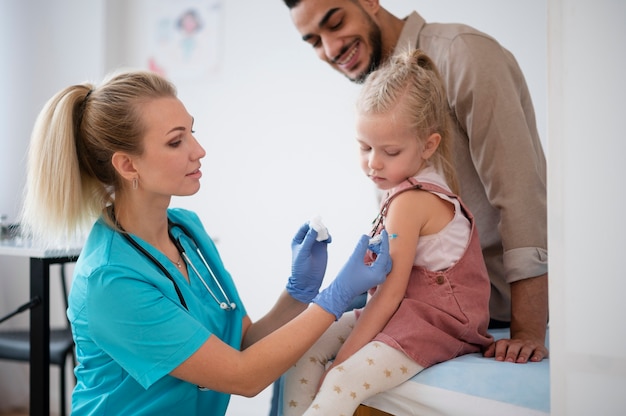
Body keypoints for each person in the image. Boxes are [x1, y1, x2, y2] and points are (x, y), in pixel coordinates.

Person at [19, 69, 392, 415]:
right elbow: (242, 376)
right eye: (176, 141)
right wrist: (335, 297)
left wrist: (298, 293)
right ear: (128, 166)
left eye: (192, 132)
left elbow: (241, 342)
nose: (198, 150)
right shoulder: (110, 280)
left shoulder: (186, 230)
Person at [282, 0, 548, 363]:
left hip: (477, 303)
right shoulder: (382, 91)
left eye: (336, 21)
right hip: (412, 292)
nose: (330, 49)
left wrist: (529, 331)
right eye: (314, 41)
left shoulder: (463, 54)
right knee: (294, 347)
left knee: (317, 350)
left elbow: (521, 196)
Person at [281, 48, 493, 416]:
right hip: (406, 315)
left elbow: (390, 296)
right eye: (365, 147)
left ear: (429, 145)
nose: (374, 163)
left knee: (341, 380)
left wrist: (342, 361)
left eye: (390, 151)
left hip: (438, 325)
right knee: (302, 349)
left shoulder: (412, 201)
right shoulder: (402, 191)